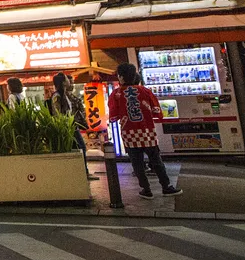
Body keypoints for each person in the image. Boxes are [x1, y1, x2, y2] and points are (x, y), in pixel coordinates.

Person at [109, 63, 182, 200]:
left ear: (121, 77)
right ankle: (167, 187)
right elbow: (157, 112)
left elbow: (113, 116)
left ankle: (146, 189)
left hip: (129, 133)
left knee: (137, 163)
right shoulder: (145, 91)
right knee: (156, 160)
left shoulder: (116, 94)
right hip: (147, 131)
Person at [48, 72, 97, 181]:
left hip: (72, 126)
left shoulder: (65, 95)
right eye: (67, 80)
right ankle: (81, 172)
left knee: (80, 148)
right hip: (67, 127)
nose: (69, 82)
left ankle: (83, 172)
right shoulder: (57, 96)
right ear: (63, 83)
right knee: (80, 147)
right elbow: (57, 113)